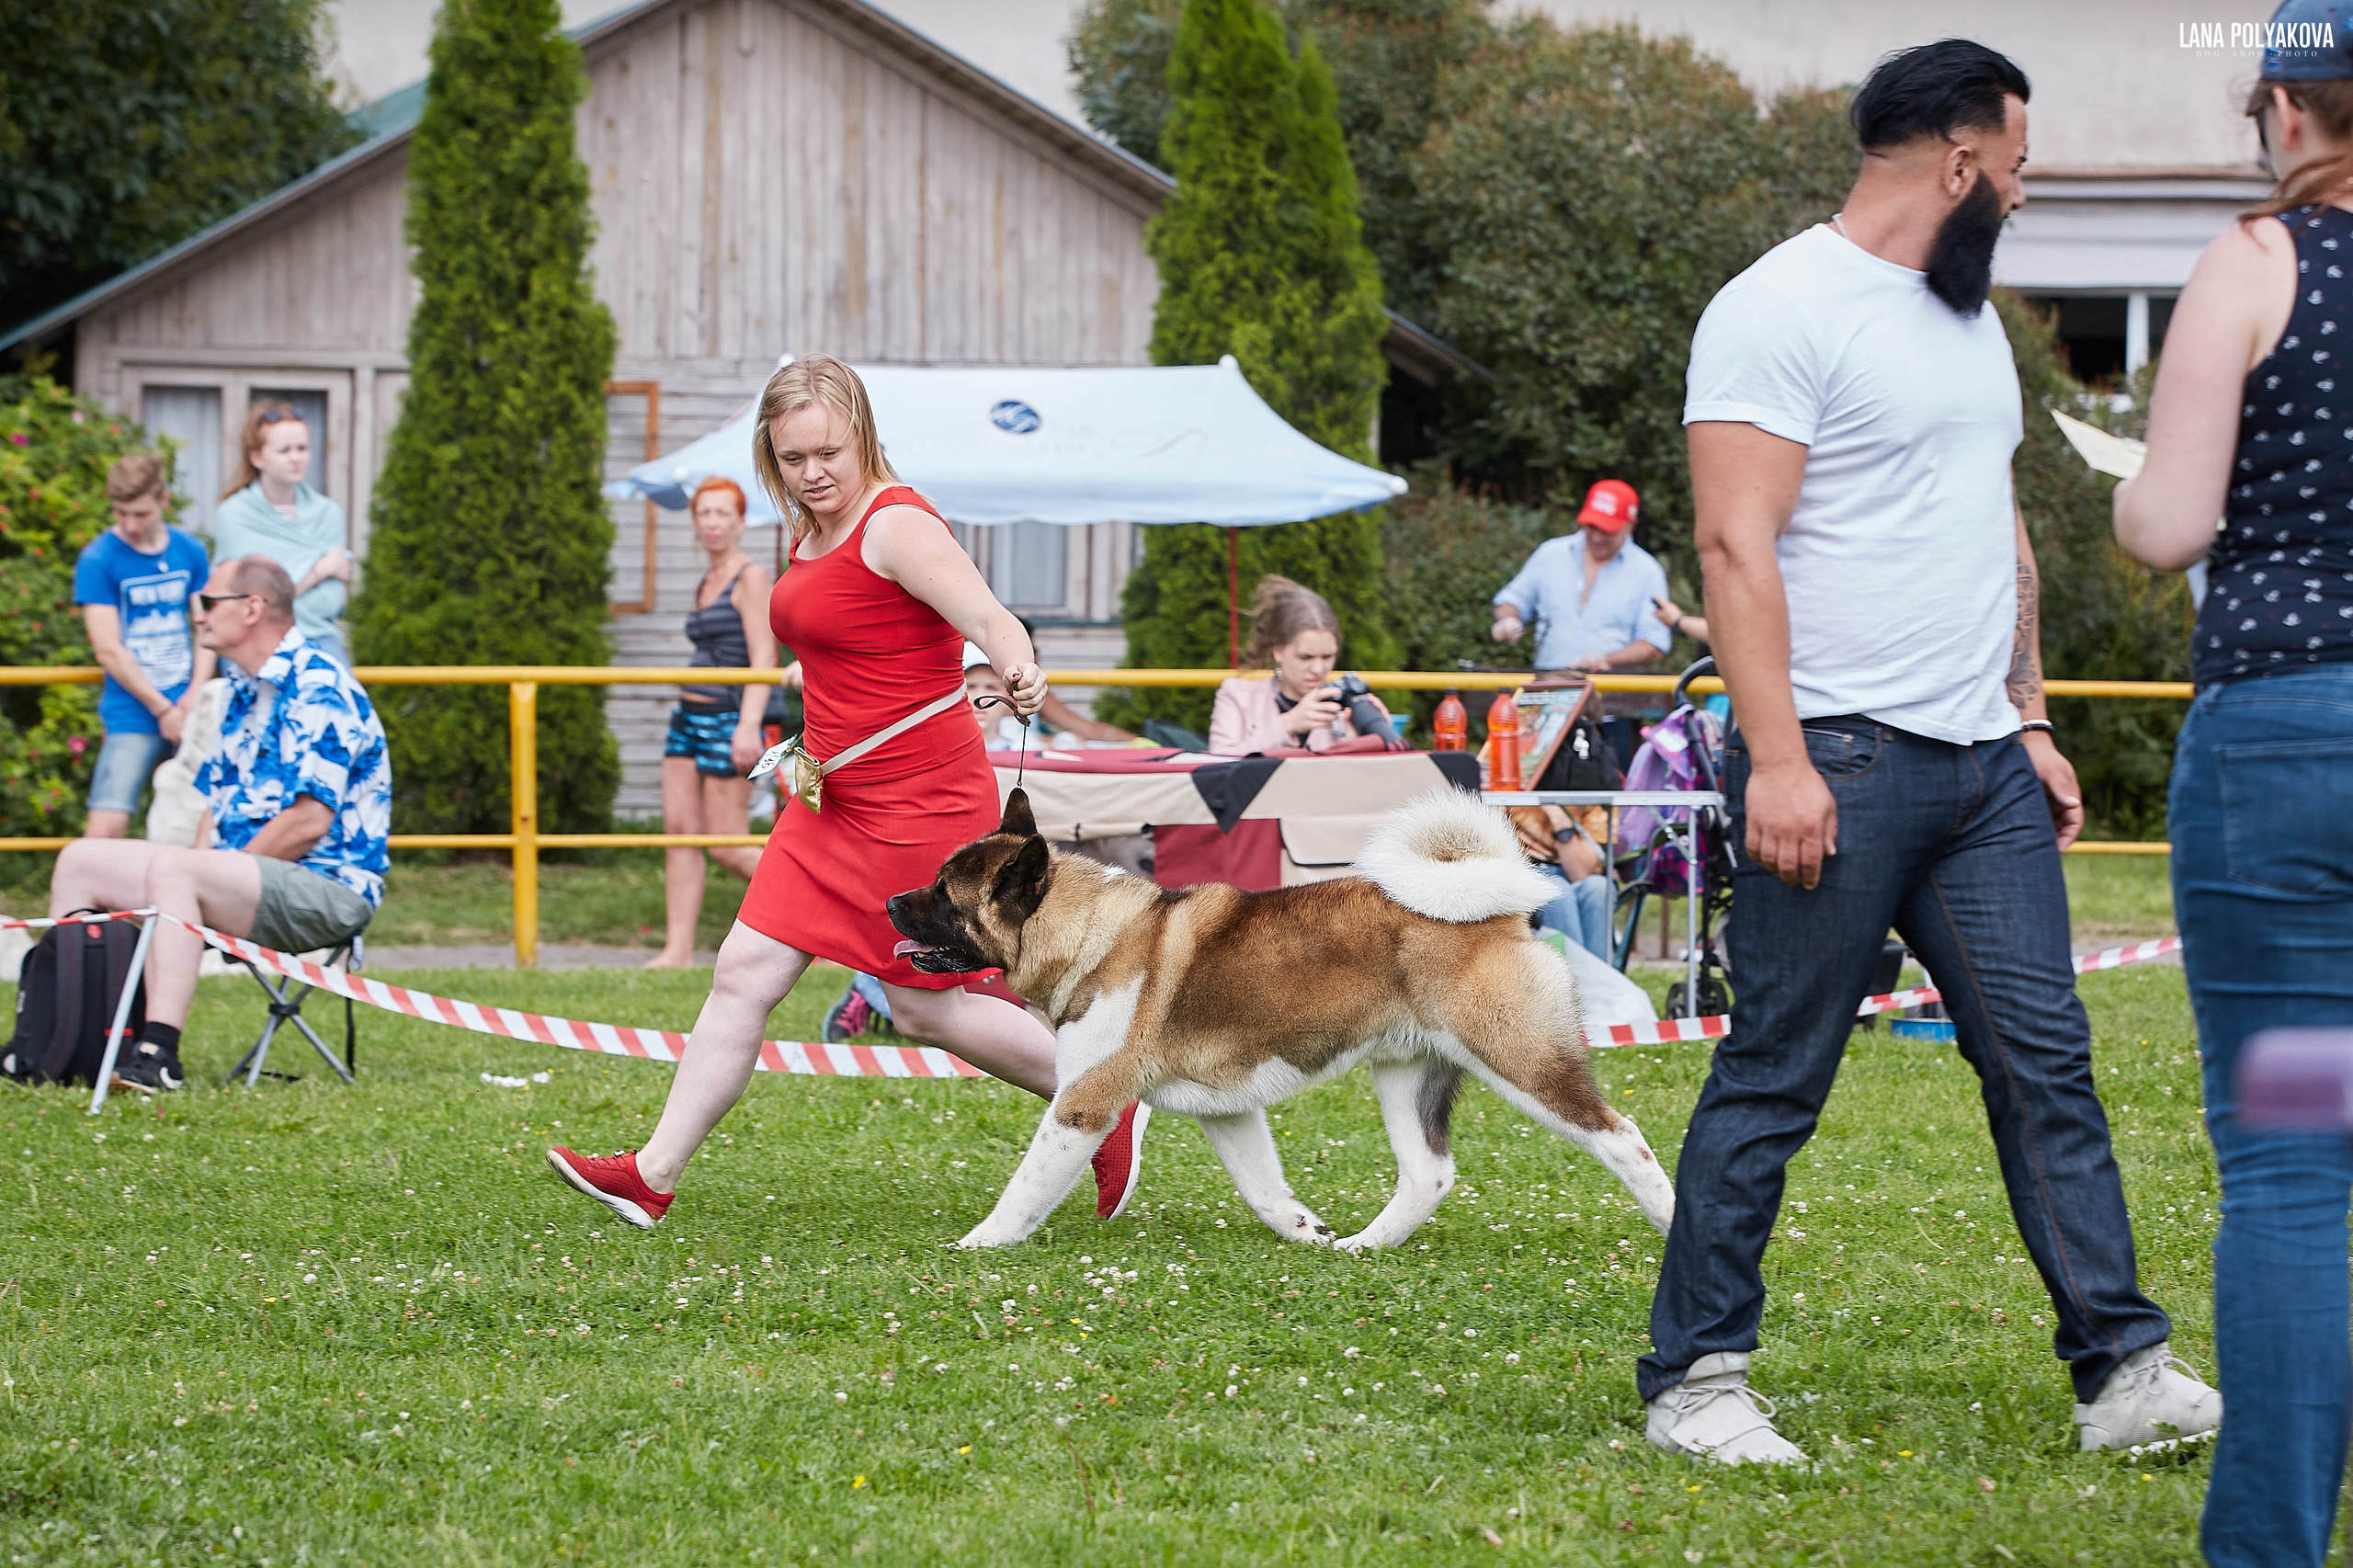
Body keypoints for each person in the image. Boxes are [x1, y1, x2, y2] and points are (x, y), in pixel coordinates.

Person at [1643, 39, 2218, 1465]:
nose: (2022, 198)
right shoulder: (1777, 307)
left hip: (1980, 773)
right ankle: (1697, 1380)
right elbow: (1734, 540)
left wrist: (2027, 713)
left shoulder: (1966, 324)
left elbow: (1994, 519)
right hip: (1833, 757)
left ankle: (2123, 1369)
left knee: (2048, 1064)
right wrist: (1775, 757)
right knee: (1777, 1071)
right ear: (1959, 163)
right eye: (2015, 170)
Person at [548, 356, 1146, 1226]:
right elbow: (851, 636)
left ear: (862, 433)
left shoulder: (897, 525)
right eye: (792, 458)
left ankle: (1103, 1095)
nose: (813, 471)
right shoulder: (811, 529)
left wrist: (1015, 661)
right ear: (772, 458)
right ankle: (650, 1176)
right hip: (831, 795)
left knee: (918, 1006)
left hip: (921, 803)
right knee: (743, 969)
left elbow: (987, 616)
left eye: (828, 450)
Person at [2113, 11, 2353, 1561]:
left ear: (2280, 105)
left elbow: (2163, 527)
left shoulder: (2257, 265)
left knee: (2295, 1168)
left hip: (2288, 751)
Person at [48, 556, 389, 1094]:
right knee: (82, 859)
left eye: (207, 602)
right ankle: (58, 1041)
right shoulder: (240, 688)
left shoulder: (320, 686)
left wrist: (206, 873)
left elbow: (307, 821)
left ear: (252, 608)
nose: (197, 615)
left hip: (329, 889)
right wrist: (204, 869)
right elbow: (214, 808)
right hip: (246, 878)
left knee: (180, 873)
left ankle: (159, 1057)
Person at [647, 477, 787, 970]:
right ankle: (677, 950)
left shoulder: (749, 576)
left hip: (731, 718)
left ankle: (823, 923)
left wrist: (748, 725)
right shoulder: (706, 579)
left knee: (728, 844)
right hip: (689, 717)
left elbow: (764, 655)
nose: (711, 522)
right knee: (680, 832)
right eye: (703, 513)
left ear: (741, 521)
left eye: (722, 513)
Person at [72, 452, 216, 838]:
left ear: (163, 501)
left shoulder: (190, 550)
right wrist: (163, 708)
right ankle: (82, 900)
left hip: (189, 704)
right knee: (108, 821)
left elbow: (208, 626)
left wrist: (194, 695)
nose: (130, 525)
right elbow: (108, 649)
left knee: (207, 817)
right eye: (121, 514)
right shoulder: (98, 558)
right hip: (132, 710)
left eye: (141, 514)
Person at [212, 403, 353, 665]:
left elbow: (331, 600)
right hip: (251, 641)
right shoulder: (233, 514)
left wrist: (284, 581)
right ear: (256, 457)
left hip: (317, 638)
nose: (296, 458)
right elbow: (250, 599)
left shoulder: (328, 512)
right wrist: (320, 570)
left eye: (302, 448)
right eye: (284, 450)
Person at [1491, 480, 1674, 672]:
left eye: (1607, 530)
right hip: (1548, 684)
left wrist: (1607, 659)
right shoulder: (1550, 554)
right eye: (1592, 526)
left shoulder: (1647, 571)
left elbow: (1654, 645)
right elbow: (1512, 600)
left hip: (1614, 692)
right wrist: (1507, 619)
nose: (1597, 538)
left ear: (1630, 525)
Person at [1207, 575, 1395, 756]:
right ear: (1278, 650)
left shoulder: (1346, 708)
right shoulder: (1237, 695)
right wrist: (1286, 725)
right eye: (1306, 657)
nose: (1318, 669)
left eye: (1328, 656)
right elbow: (1216, 767)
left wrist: (1369, 739)